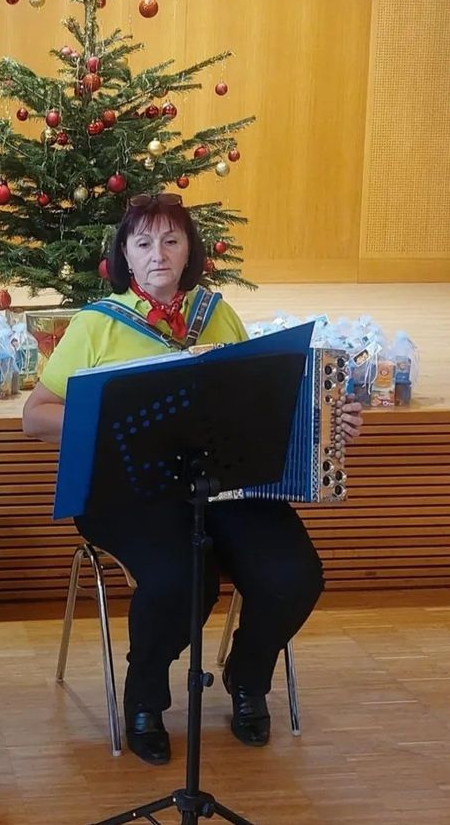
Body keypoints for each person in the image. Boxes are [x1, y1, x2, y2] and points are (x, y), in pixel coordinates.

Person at [22, 193, 363, 765]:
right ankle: (146, 697)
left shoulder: (217, 315)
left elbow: (265, 405)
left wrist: (329, 422)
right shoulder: (94, 326)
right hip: (129, 489)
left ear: (189, 252)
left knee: (294, 575)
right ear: (125, 257)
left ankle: (248, 678)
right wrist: (118, 419)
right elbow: (36, 416)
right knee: (186, 580)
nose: (158, 253)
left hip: (224, 482)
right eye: (144, 242)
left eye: (171, 240)